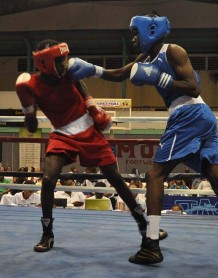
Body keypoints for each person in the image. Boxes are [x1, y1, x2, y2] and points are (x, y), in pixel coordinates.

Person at [67, 13, 218, 268]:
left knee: (154, 175)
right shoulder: (145, 58)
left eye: (135, 33)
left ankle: (151, 245)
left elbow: (193, 86)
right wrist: (92, 70)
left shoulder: (173, 51)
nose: (133, 39)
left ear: (150, 30)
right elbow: (122, 73)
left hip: (189, 113)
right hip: (198, 118)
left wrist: (159, 78)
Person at [15, 39, 150, 253]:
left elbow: (115, 74)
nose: (64, 63)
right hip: (61, 133)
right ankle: (47, 233)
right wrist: (26, 107)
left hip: (88, 129)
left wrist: (92, 105)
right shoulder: (30, 85)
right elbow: (31, 127)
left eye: (64, 59)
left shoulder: (72, 69)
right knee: (48, 179)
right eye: (59, 61)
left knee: (114, 177)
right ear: (44, 63)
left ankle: (143, 224)